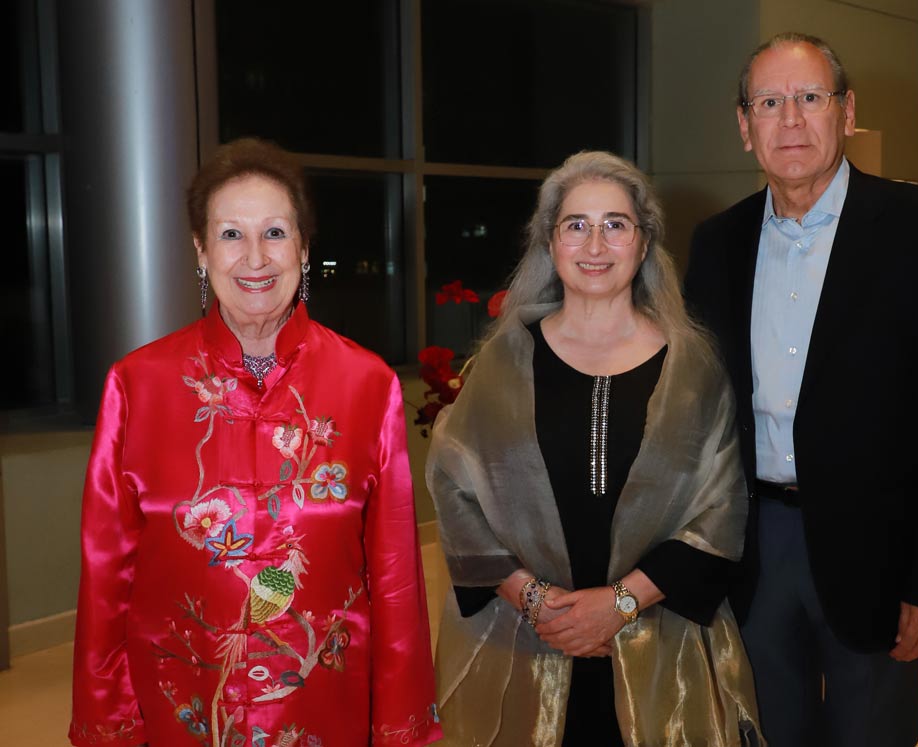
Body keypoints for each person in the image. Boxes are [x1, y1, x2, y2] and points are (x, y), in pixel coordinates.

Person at [69, 138, 441, 747]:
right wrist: (109, 722)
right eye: (231, 234)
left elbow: (396, 572)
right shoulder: (137, 385)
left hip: (325, 701)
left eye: (274, 232)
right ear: (200, 249)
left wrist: (399, 723)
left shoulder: (367, 385)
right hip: (181, 701)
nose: (255, 258)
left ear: (303, 246)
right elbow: (106, 575)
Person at [684, 33, 918, 746]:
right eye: (769, 102)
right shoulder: (715, 244)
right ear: (744, 126)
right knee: (764, 732)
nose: (790, 120)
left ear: (847, 112)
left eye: (810, 98)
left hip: (879, 552)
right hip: (752, 546)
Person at [427, 151, 763, 746]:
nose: (595, 244)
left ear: (644, 242)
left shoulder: (694, 368)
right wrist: (534, 601)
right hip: (525, 645)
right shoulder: (503, 361)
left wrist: (619, 605)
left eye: (615, 224)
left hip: (660, 646)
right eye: (576, 225)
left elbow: (722, 510)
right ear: (550, 243)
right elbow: (454, 492)